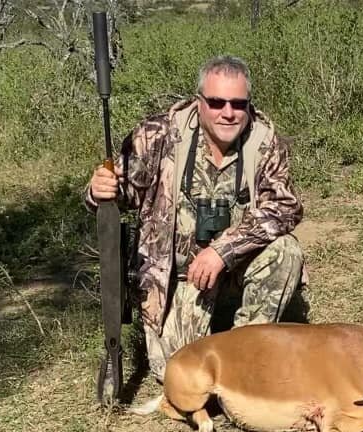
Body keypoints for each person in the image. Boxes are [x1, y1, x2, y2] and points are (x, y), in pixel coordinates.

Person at [84, 55, 308, 383]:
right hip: (176, 278)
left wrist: (223, 250)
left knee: (286, 251)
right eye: (217, 102)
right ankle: (214, 341)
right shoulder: (157, 134)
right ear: (199, 101)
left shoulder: (263, 140)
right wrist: (99, 191)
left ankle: (246, 355)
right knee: (179, 375)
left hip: (234, 268)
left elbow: (285, 207)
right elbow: (123, 195)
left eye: (238, 104)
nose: (228, 113)